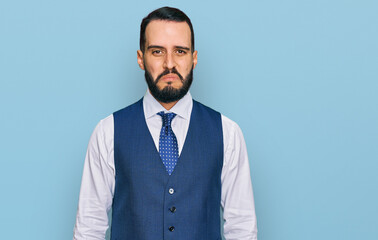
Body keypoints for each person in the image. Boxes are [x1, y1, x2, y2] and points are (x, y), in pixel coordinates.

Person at [73, 6, 257, 240]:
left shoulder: (227, 133)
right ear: (141, 58)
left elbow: (242, 228)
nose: (170, 64)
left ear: (194, 58)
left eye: (180, 51)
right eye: (158, 52)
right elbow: (89, 227)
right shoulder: (107, 132)